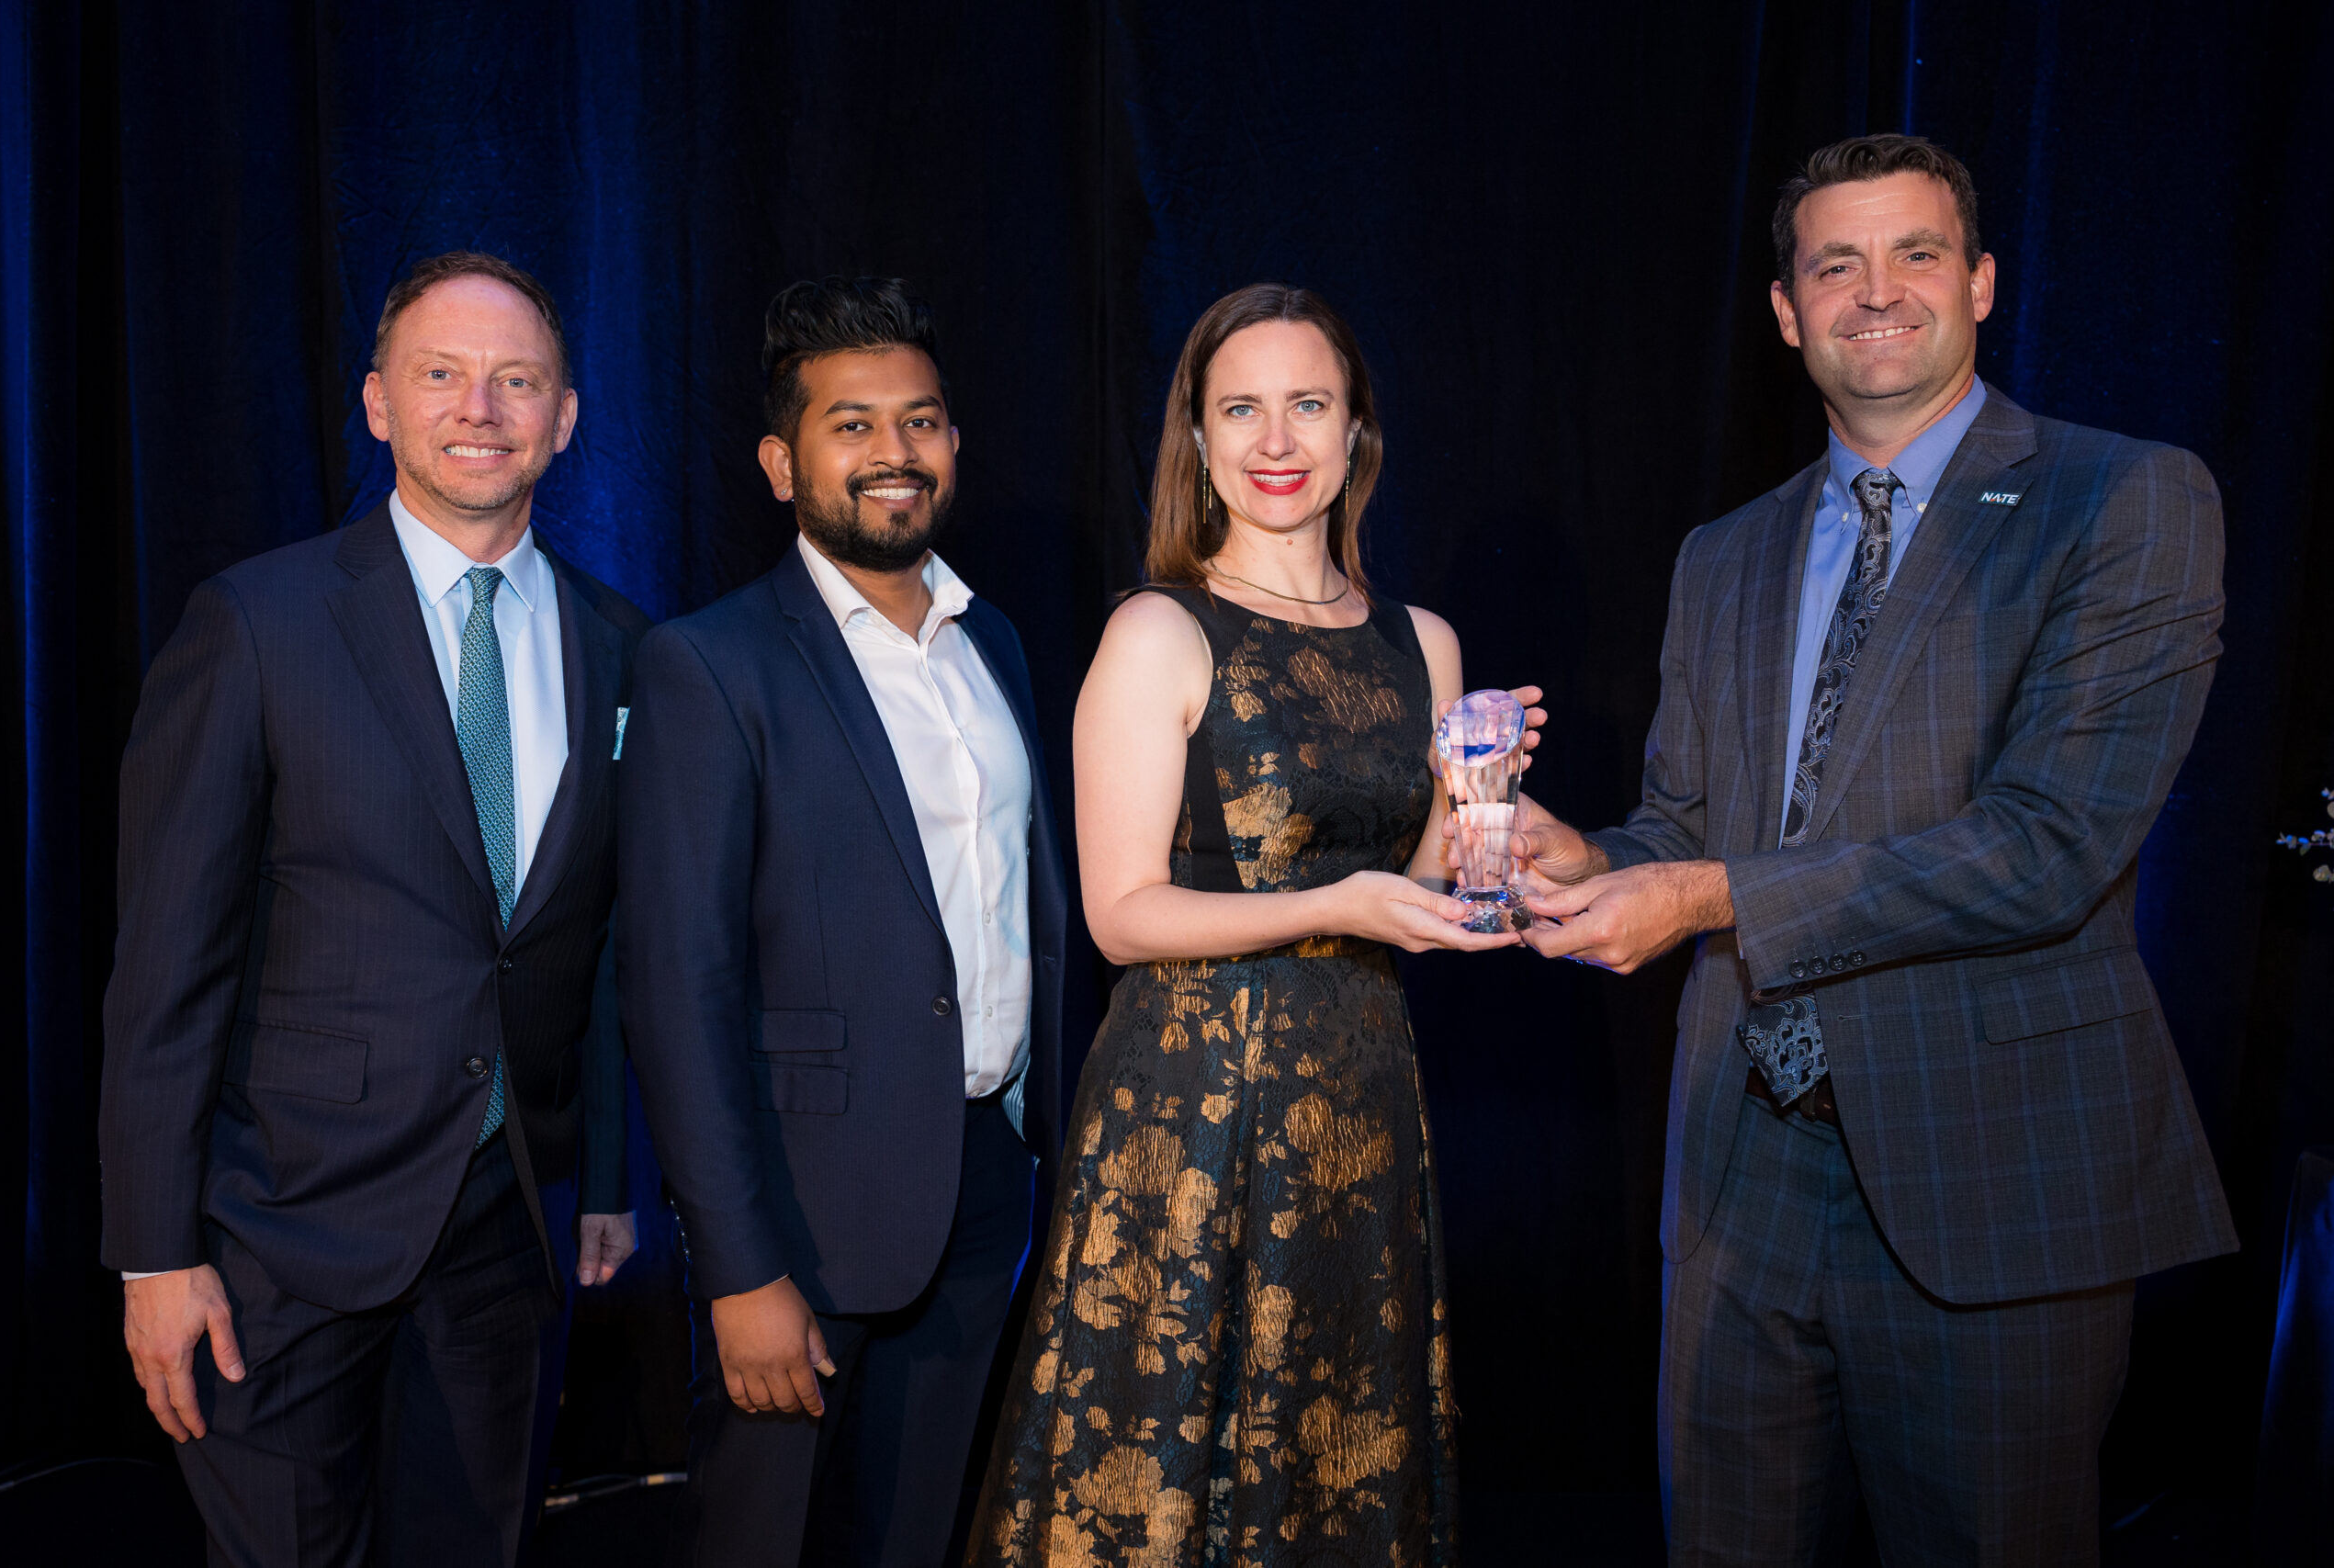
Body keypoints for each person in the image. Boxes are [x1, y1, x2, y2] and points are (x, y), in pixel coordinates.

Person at [1499, 135, 2237, 1563]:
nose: (1876, 292)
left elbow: (2049, 845)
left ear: (1981, 281)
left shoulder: (2124, 500)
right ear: (1787, 311)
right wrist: (1586, 857)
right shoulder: (1726, 550)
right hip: (1739, 1180)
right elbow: (1691, 826)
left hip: (1993, 1179)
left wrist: (1703, 892)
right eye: (1835, 264)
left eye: (1913, 254)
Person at [970, 284, 1539, 1567]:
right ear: (1200, 442)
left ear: (1356, 437)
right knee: (1174, 1448)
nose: (1276, 440)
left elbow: (1444, 883)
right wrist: (1338, 904)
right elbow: (1120, 916)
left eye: (1307, 406)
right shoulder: (1160, 630)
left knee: (1333, 1447)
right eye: (1241, 409)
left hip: (1362, 1100)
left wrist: (1491, 789)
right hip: (1193, 1104)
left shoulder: (1425, 643)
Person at [101, 250, 645, 1565]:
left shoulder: (625, 643)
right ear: (378, 405)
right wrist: (151, 1253)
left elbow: (612, 941)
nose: (481, 407)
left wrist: (608, 1183)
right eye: (442, 376)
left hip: (509, 1234)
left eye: (518, 381)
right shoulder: (257, 623)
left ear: (565, 419)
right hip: (278, 1237)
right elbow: (166, 963)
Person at [616, 276, 1066, 1567]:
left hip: (986, 1187)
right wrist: (739, 1269)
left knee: (914, 1541)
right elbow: (679, 985)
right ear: (782, 461)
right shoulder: (711, 664)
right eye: (851, 425)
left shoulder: (1002, 650)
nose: (892, 454)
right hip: (802, 1221)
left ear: (954, 444)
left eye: (918, 422)